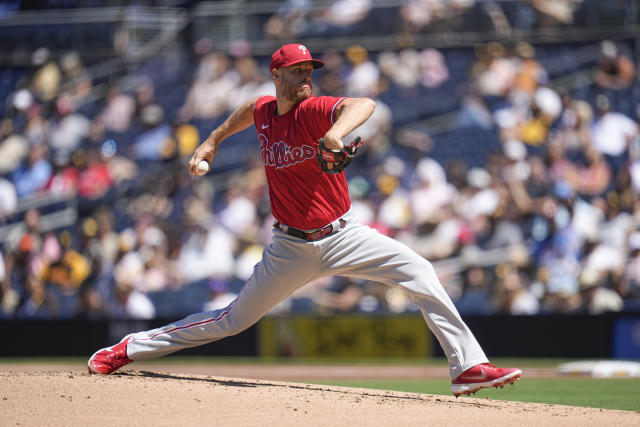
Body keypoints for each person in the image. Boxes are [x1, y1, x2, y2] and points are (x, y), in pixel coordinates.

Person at [87, 43, 521, 397]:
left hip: (343, 234)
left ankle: (467, 367)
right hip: (290, 248)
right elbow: (249, 109)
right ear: (277, 77)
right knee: (231, 321)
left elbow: (363, 103)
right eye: (296, 71)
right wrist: (212, 140)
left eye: (308, 69)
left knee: (420, 271)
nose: (305, 76)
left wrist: (334, 134)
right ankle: (128, 348)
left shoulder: (314, 109)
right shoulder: (263, 111)